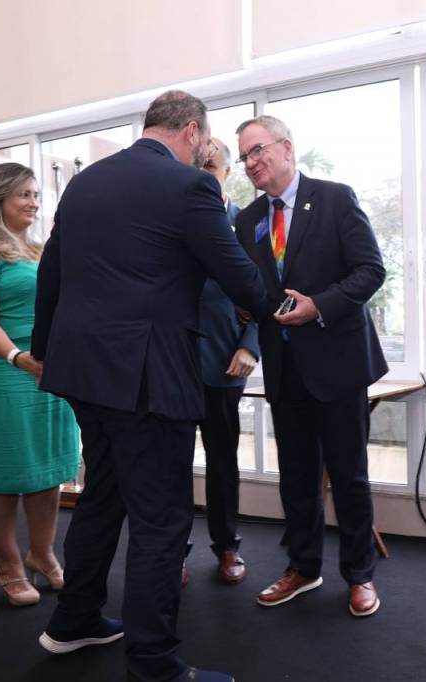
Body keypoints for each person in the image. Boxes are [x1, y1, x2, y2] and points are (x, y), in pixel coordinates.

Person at [32, 90, 272, 682]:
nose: (202, 152)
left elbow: (51, 272)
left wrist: (45, 350)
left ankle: (73, 620)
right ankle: (154, 664)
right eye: (204, 142)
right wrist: (281, 306)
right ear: (191, 131)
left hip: (83, 371)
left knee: (103, 495)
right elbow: (238, 275)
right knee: (161, 519)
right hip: (146, 377)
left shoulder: (84, 184)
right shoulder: (189, 187)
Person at [233, 115, 388, 617]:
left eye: (258, 150)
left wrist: (318, 305)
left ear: (287, 147)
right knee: (296, 478)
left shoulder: (335, 198)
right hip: (285, 367)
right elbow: (257, 287)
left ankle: (360, 575)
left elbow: (371, 270)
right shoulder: (247, 220)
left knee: (349, 476)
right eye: (245, 157)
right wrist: (246, 307)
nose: (251, 163)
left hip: (337, 363)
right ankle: (303, 567)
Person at [0, 163, 79, 607]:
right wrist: (17, 358)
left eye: (36, 194)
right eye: (24, 194)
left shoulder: (40, 251)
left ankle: (42, 553)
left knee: (47, 470)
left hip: (45, 373)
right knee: (0, 476)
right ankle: (8, 563)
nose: (34, 202)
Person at [190, 137, 258, 585]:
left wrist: (250, 344)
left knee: (222, 462)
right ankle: (174, 549)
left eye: (211, 168)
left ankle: (227, 546)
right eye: (196, 168)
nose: (203, 176)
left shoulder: (247, 224)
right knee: (171, 463)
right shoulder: (175, 220)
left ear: (227, 172)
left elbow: (266, 291)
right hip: (175, 361)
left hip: (225, 360)